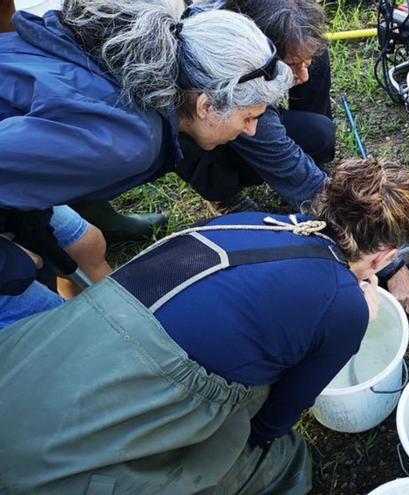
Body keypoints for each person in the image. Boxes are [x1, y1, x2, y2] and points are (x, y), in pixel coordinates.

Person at [0, 158, 409, 494]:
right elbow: (270, 424)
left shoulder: (257, 222)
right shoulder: (345, 307)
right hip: (41, 461)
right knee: (282, 460)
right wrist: (355, 319)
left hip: (35, 357)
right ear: (383, 256)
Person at [0, 0, 294, 326]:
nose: (251, 130)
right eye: (249, 117)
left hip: (13, 175)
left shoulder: (131, 67)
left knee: (88, 244)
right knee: (50, 332)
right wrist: (9, 261)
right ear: (206, 106)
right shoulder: (126, 142)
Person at [171, 0, 335, 216]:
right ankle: (223, 193)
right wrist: (334, 203)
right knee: (196, 135)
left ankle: (309, 162)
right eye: (293, 66)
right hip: (213, 112)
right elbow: (271, 142)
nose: (303, 77)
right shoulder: (229, 79)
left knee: (313, 57)